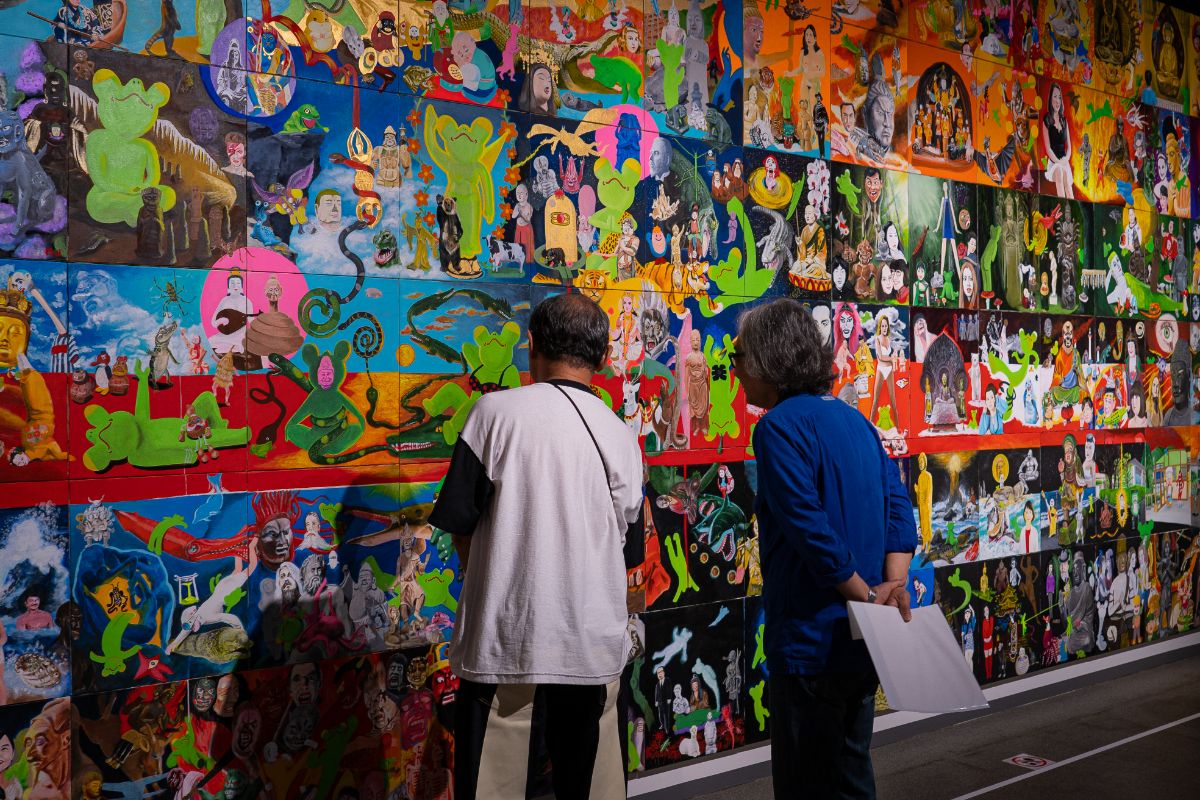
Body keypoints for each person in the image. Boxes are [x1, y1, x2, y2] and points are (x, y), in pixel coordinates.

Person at [429, 293, 643, 800]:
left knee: (493, 787)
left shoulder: (493, 414)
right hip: (592, 646)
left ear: (531, 346)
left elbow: (460, 524)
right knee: (590, 786)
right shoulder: (621, 434)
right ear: (604, 357)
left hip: (505, 642)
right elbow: (627, 549)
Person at [730, 299, 916, 800]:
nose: (735, 369)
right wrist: (890, 587)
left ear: (768, 359)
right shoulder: (857, 422)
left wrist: (866, 594)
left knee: (805, 784)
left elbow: (808, 528)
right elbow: (900, 509)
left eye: (739, 356)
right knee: (852, 776)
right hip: (862, 639)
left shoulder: (776, 428)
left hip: (810, 643)